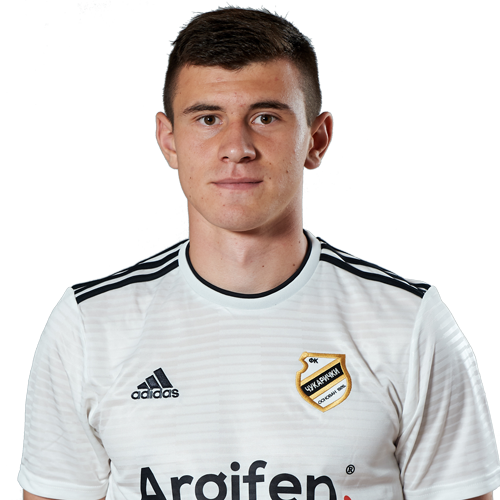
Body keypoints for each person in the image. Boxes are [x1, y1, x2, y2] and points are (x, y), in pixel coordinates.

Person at [18, 7, 499, 500]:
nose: (237, 147)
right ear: (169, 141)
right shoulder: (89, 326)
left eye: (265, 117)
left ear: (316, 140)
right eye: (208, 119)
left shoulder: (410, 323)